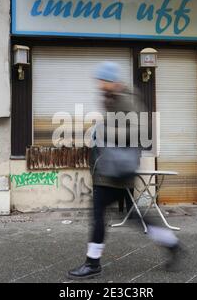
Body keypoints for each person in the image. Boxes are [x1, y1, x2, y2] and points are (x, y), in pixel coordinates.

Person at [67, 62, 184, 280]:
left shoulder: (125, 98)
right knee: (133, 216)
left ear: (111, 81)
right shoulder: (113, 98)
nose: (99, 84)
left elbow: (141, 132)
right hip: (112, 168)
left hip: (115, 170)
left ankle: (93, 263)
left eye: (102, 80)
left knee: (99, 213)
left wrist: (106, 132)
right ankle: (172, 244)